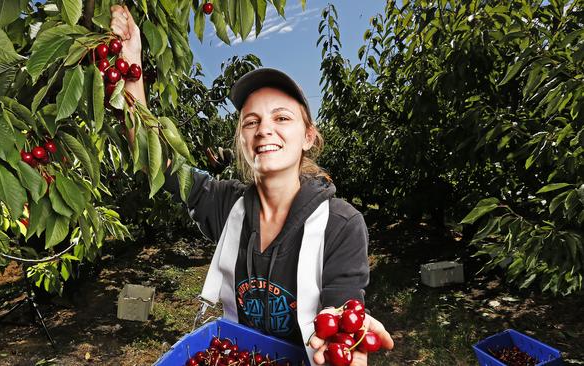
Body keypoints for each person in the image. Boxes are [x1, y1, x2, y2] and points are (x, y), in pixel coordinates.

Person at [110, 5, 394, 365]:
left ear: (308, 136)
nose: (264, 130)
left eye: (282, 118)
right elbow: (157, 159)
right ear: (242, 139)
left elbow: (338, 317)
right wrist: (132, 65)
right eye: (251, 122)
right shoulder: (228, 204)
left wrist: (345, 334)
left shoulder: (341, 225)